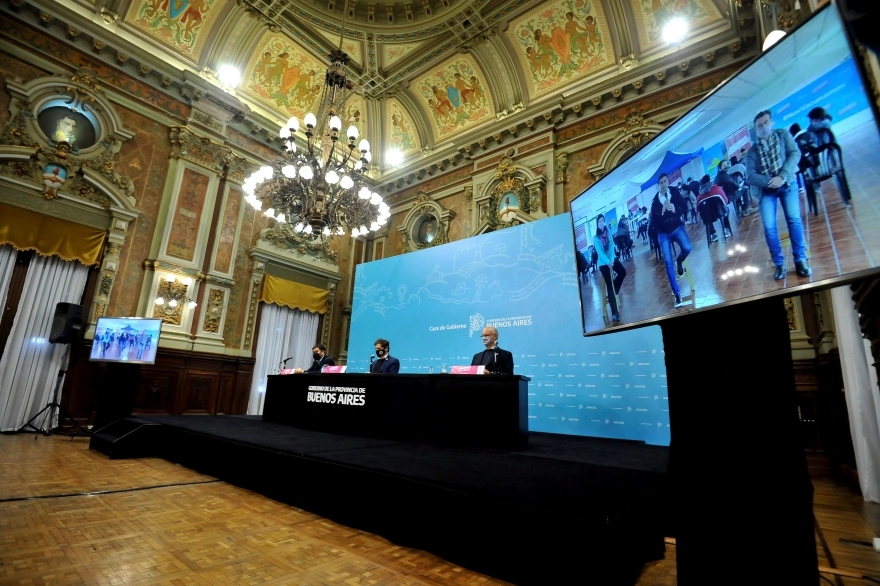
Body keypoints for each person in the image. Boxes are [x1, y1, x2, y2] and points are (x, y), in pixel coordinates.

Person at [743, 110, 811, 280]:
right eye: (759, 125)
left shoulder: (783, 134)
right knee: (769, 227)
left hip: (787, 183)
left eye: (766, 122)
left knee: (794, 219)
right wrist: (770, 181)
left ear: (771, 122)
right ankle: (779, 264)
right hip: (767, 190)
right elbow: (750, 176)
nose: (763, 127)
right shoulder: (751, 152)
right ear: (756, 129)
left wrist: (782, 176)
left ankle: (800, 260)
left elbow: (795, 153)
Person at [651, 172, 691, 307]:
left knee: (687, 248)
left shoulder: (674, 191)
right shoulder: (655, 202)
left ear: (668, 182)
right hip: (663, 233)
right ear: (658, 185)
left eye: (665, 181)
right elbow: (653, 224)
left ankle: (679, 261)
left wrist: (675, 209)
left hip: (676, 227)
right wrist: (661, 212)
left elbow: (684, 207)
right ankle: (677, 294)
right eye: (661, 182)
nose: (663, 184)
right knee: (668, 262)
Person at [593, 213, 626, 323]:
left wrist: (612, 260)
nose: (601, 223)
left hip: (611, 259)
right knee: (609, 285)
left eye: (602, 220)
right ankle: (615, 313)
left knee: (623, 272)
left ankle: (616, 289)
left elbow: (612, 245)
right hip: (603, 264)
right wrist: (608, 262)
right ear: (597, 224)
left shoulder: (608, 232)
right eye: (599, 221)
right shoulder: (596, 238)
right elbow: (600, 253)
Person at [696, 174, 732, 240]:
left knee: (706, 216)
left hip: (707, 217)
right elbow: (726, 201)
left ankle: (713, 234)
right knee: (727, 209)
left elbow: (697, 210)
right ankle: (725, 229)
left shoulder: (699, 197)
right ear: (709, 181)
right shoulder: (717, 189)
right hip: (719, 213)